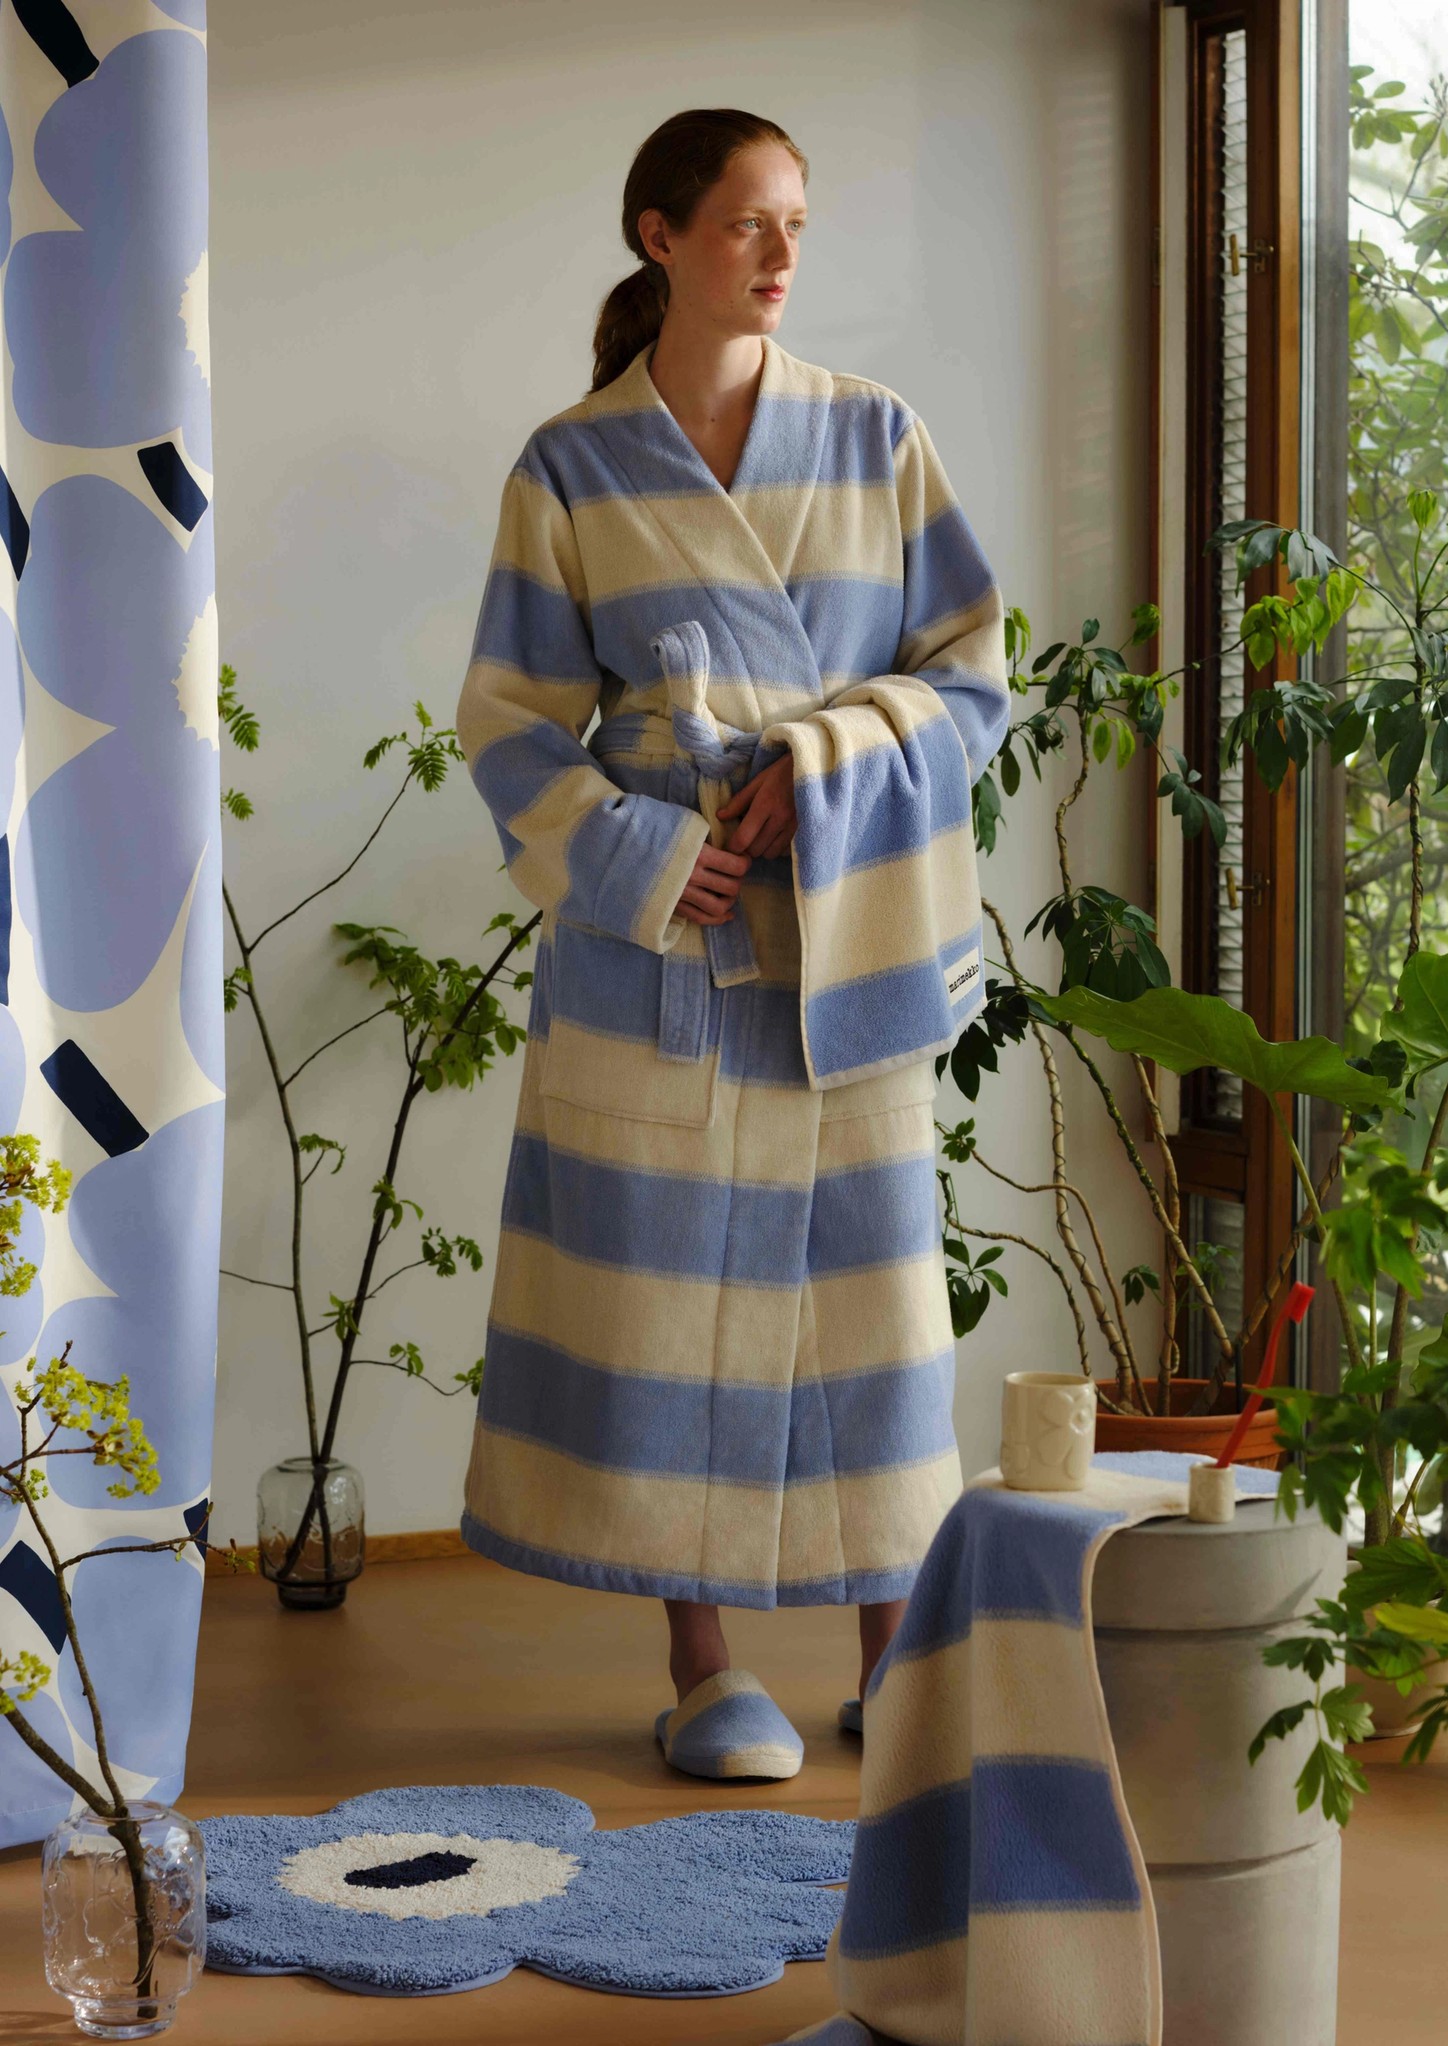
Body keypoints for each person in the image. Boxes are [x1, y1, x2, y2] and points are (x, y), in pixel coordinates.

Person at [456, 106, 1008, 1781]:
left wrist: (820, 761)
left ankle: (895, 1655)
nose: (779, 252)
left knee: (867, 1309)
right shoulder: (570, 464)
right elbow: (508, 720)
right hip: (669, 946)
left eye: (797, 225)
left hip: (842, 924)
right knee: (665, 1300)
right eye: (749, 222)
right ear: (660, 235)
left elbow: (971, 670)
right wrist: (645, 850)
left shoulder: (874, 435)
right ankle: (700, 1668)